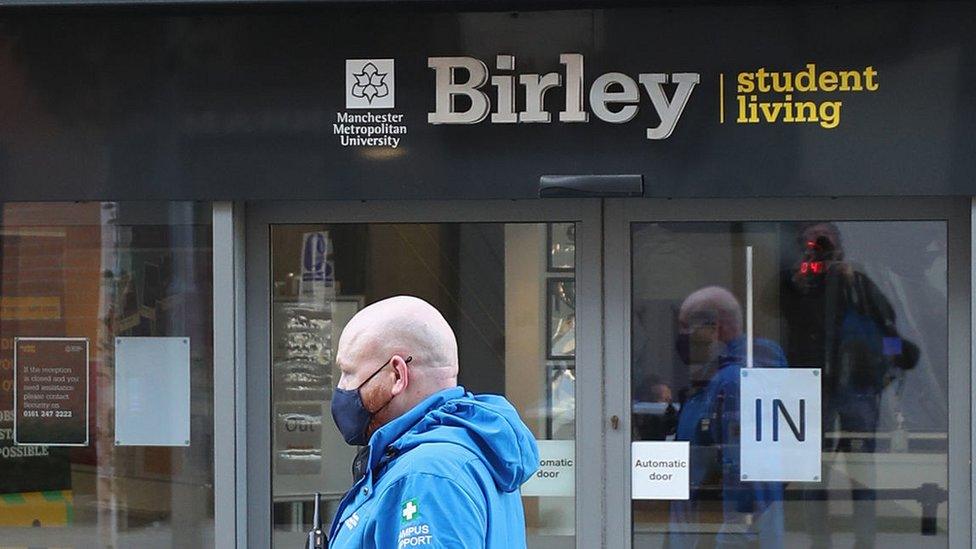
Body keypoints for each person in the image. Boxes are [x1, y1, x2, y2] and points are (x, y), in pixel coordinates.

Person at [327, 295, 539, 548]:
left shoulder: (428, 474)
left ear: (397, 374)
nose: (342, 388)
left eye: (348, 373)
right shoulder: (471, 451)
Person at [669, 286, 786, 548]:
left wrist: (732, 532)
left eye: (686, 327)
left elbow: (742, 471)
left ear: (715, 328)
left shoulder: (733, 381)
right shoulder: (716, 377)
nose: (682, 337)